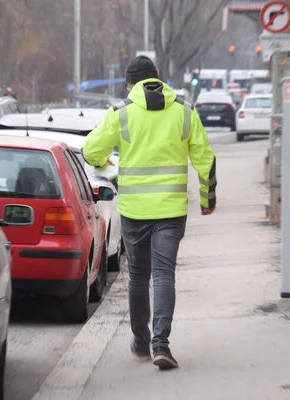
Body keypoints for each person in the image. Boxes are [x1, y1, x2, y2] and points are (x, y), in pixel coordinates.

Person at [81, 55, 216, 370]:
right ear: (158, 77)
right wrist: (208, 200)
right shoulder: (184, 111)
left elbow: (90, 151)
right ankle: (161, 345)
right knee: (164, 274)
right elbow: (205, 158)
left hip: (134, 211)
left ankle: (141, 343)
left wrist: (108, 159)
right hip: (171, 210)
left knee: (139, 276)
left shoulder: (122, 113)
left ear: (130, 83)